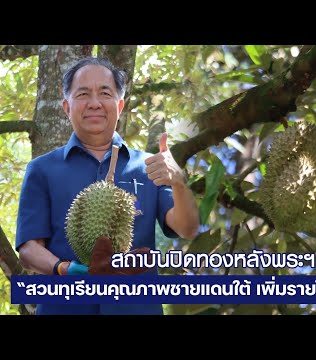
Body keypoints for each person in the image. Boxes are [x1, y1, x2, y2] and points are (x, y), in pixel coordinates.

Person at [15, 57, 200, 315]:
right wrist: (64, 269)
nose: (94, 103)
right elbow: (28, 249)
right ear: (66, 107)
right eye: (83, 94)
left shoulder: (149, 166)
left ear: (120, 105)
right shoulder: (41, 169)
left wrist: (179, 182)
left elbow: (187, 227)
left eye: (105, 93)